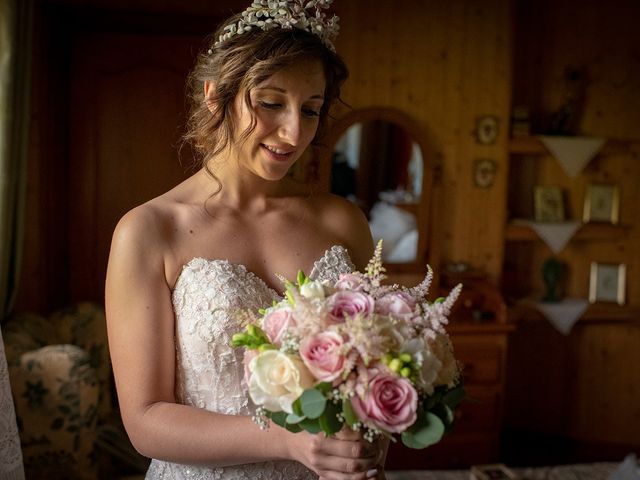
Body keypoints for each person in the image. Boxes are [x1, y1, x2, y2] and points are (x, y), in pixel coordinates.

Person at [105, 1, 386, 479]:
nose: (294, 131)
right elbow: (145, 420)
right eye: (271, 103)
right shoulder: (150, 231)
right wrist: (287, 440)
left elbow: (371, 375)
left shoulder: (344, 223)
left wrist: (368, 444)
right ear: (216, 96)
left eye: (311, 109)